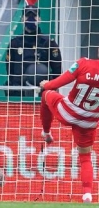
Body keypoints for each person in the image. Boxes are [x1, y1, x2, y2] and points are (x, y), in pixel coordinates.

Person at [39, 53, 99, 204]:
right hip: (89, 121)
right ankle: (87, 195)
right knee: (85, 158)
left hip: (67, 112)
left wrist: (45, 84)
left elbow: (55, 84)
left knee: (47, 94)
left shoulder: (84, 64)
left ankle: (46, 132)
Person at [6, 6, 62, 97]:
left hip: (42, 93)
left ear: (39, 19)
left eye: (34, 16)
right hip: (19, 93)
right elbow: (9, 70)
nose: (31, 19)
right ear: (22, 19)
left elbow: (57, 71)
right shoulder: (14, 43)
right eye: (27, 16)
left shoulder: (48, 43)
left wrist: (51, 87)